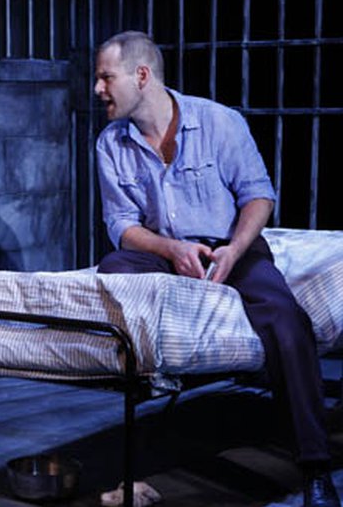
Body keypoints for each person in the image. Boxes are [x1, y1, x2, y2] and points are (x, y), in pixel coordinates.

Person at [93, 31, 340, 507]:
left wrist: (233, 250)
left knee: (286, 319)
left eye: (106, 77)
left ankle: (314, 467)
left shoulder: (218, 121)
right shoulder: (110, 143)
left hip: (232, 248)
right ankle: (167, 354)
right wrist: (172, 249)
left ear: (141, 76)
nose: (98, 89)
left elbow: (258, 196)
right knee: (114, 264)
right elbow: (122, 225)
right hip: (168, 254)